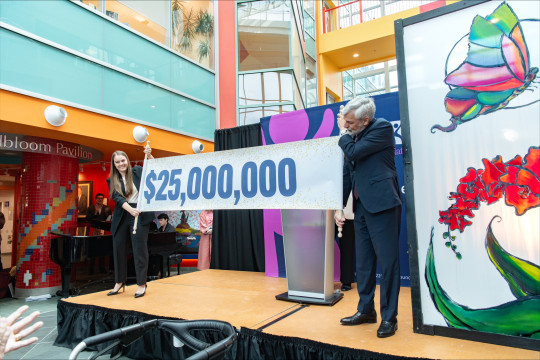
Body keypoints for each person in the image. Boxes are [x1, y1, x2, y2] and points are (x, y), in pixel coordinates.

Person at [334, 96, 402, 338]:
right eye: (346, 122)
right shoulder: (355, 135)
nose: (347, 125)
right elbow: (346, 174)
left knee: (389, 263)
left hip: (383, 204)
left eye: (351, 122)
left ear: (365, 120)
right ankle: (365, 310)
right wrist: (339, 206)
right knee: (363, 264)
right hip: (361, 207)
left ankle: (389, 318)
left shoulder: (381, 128)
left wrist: (341, 132)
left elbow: (352, 152)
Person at [107, 146, 154, 298]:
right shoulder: (111, 180)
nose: (121, 164)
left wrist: (150, 155)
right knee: (118, 247)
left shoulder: (138, 171)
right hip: (123, 212)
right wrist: (130, 210)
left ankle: (141, 284)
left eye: (123, 160)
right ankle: (119, 282)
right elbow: (117, 198)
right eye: (117, 162)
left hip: (139, 212)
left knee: (139, 249)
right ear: (114, 164)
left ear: (127, 160)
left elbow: (155, 168)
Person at [86, 193, 112, 274]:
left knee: (102, 250)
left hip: (103, 231)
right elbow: (87, 218)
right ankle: (91, 270)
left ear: (103, 199)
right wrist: (96, 212)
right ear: (96, 199)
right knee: (92, 250)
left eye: (101, 198)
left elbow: (109, 219)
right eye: (98, 198)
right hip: (93, 231)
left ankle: (102, 268)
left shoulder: (107, 208)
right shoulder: (90, 208)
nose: (100, 199)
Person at [336, 192, 355, 291]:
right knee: (322, 248)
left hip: (347, 209)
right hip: (326, 209)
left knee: (347, 247)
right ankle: (320, 279)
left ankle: (346, 281)